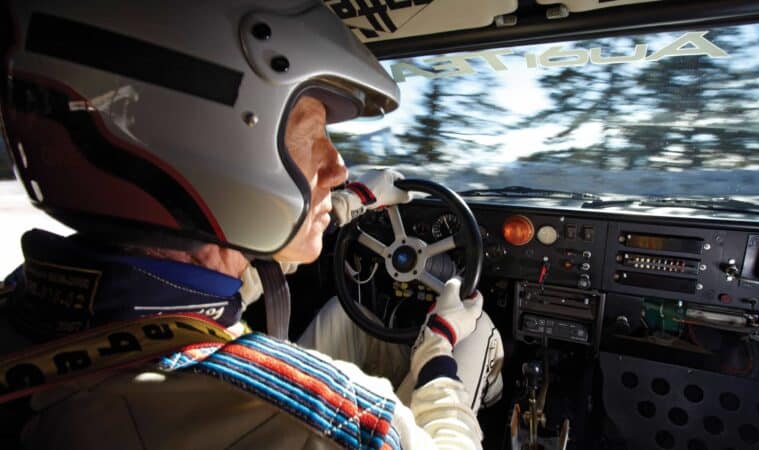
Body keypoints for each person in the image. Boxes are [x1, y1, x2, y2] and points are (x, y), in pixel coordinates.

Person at [0, 1, 502, 449]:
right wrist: (437, 349)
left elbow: (242, 257)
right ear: (220, 150)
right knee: (473, 332)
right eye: (311, 136)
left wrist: (350, 204)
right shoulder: (328, 420)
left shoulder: (27, 302)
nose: (339, 169)